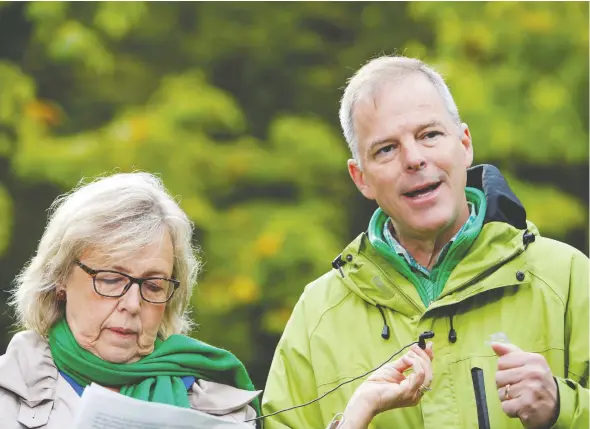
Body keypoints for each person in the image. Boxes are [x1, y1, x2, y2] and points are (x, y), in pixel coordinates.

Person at [261, 56, 589, 429]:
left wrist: (562, 407)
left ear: (464, 144)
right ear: (361, 178)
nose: (414, 159)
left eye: (429, 135)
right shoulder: (316, 317)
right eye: (386, 149)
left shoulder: (567, 278)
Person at [0, 172, 261, 429]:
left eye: (153, 285)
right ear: (61, 278)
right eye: (111, 279)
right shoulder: (8, 393)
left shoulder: (225, 411)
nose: (133, 304)